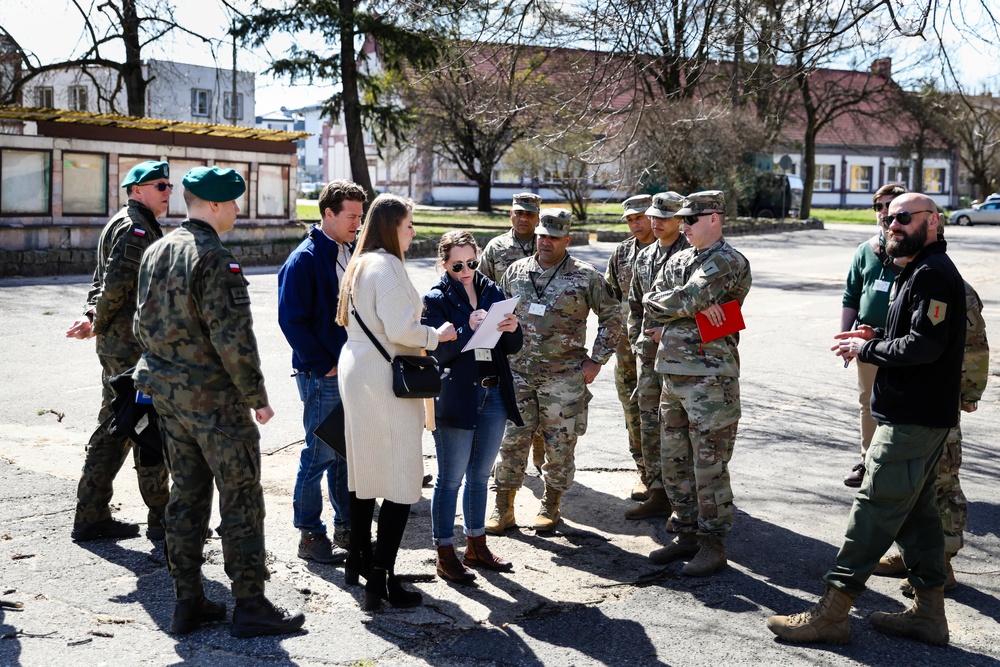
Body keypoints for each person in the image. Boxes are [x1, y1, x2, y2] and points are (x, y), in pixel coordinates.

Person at [768, 192, 966, 646]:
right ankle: (929, 615)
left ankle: (833, 613)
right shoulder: (915, 269)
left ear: (932, 221)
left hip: (912, 420)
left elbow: (926, 347)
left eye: (904, 218)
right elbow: (916, 337)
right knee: (918, 515)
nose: (893, 224)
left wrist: (867, 349)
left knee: (872, 510)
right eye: (889, 218)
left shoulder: (933, 274)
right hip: (914, 414)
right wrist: (876, 334)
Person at [133, 166, 304, 638]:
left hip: (168, 397)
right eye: (231, 203)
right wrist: (258, 398)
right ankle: (249, 603)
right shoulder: (213, 257)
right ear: (211, 205)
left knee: (185, 496)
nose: (236, 211)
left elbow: (139, 327)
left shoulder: (157, 251)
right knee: (241, 495)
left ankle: (187, 601)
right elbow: (234, 339)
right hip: (215, 401)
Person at [335, 193, 457, 611]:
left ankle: (359, 561)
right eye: (409, 225)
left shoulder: (360, 260)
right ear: (391, 226)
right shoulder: (385, 265)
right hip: (383, 377)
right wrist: (436, 335)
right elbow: (402, 329)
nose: (414, 231)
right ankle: (381, 580)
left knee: (364, 468)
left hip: (361, 370)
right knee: (403, 479)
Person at [486, 208, 621, 534]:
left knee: (559, 444)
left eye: (554, 237)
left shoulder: (586, 276)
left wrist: (596, 359)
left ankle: (551, 504)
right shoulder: (516, 271)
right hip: (518, 373)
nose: (546, 242)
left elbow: (613, 317)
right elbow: (497, 311)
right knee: (511, 441)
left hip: (563, 377)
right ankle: (503, 506)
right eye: (542, 235)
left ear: (567, 239)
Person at [643, 190, 751, 577]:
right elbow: (652, 299)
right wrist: (685, 310)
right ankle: (686, 532)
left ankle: (712, 543)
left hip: (710, 378)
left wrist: (680, 309)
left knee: (709, 465)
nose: (683, 226)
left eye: (691, 220)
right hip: (672, 372)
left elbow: (686, 299)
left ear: (715, 218)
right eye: (682, 220)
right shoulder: (682, 258)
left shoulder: (727, 260)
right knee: (674, 461)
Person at [875, 229, 989, 596]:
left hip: (941, 398)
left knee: (942, 481)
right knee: (913, 482)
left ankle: (942, 564)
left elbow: (975, 346)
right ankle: (912, 555)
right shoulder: (907, 277)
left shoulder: (952, 285)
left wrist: (969, 393)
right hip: (913, 396)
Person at [65, 160, 171, 542]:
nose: (168, 191)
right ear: (137, 189)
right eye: (160, 185)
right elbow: (114, 285)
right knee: (145, 424)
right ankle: (163, 518)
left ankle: (93, 513)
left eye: (169, 185)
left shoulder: (125, 222)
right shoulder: (135, 228)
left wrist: (93, 316)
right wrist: (96, 318)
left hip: (121, 344)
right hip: (132, 348)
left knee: (119, 424)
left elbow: (101, 284)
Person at [421, 231, 523, 584]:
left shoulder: (492, 289)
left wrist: (512, 326)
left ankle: (476, 545)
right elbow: (437, 350)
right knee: (450, 479)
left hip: (492, 393)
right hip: (456, 396)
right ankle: (444, 552)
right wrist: (466, 328)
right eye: (458, 265)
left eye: (472, 263)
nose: (466, 271)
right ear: (444, 264)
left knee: (480, 476)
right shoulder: (435, 298)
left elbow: (511, 347)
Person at [278, 179, 367, 564]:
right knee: (319, 454)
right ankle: (310, 535)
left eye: (361, 217)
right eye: (351, 216)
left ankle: (347, 528)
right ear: (328, 213)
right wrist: (324, 365)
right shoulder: (304, 258)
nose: (358, 223)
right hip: (323, 374)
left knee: (347, 454)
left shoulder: (348, 250)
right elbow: (291, 321)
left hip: (350, 370)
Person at [625, 191, 689, 520]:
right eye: (654, 215)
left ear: (681, 219)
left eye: (665, 216)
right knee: (649, 422)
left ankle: (686, 502)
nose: (657, 221)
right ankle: (658, 492)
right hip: (649, 356)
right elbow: (635, 306)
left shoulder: (694, 254)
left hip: (685, 359)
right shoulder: (644, 256)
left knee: (681, 429)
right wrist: (638, 339)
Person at [840, 183, 906, 487]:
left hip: (904, 341)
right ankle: (868, 461)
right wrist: (845, 337)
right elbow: (851, 296)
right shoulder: (865, 251)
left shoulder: (914, 249)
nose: (883, 212)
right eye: (878, 206)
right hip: (867, 340)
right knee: (868, 402)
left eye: (890, 206)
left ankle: (899, 466)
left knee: (904, 401)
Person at [605, 194, 656, 502]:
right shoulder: (622, 253)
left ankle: (669, 477)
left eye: (641, 217)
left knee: (662, 412)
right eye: (630, 219)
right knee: (632, 407)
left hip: (662, 346)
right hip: (626, 349)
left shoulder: (676, 251)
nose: (636, 223)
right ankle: (644, 471)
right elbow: (609, 298)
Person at [479, 192, 543, 281]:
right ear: (511, 214)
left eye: (529, 214)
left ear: (538, 218)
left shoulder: (545, 247)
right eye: (519, 213)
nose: (523, 218)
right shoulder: (496, 247)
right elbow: (481, 283)